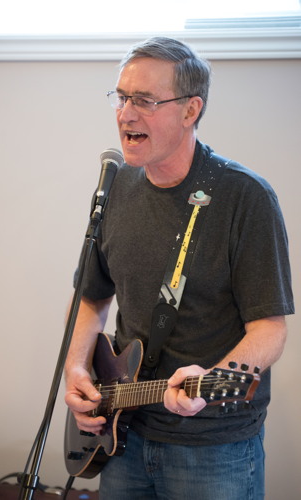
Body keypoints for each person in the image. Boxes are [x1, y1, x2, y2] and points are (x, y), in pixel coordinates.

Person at [64, 37, 294, 500]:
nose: (126, 113)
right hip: (123, 430)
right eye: (121, 96)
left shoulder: (245, 198)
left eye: (145, 100)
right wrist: (77, 372)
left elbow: (270, 330)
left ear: (191, 111)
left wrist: (208, 383)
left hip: (212, 447)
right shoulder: (115, 186)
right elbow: (92, 295)